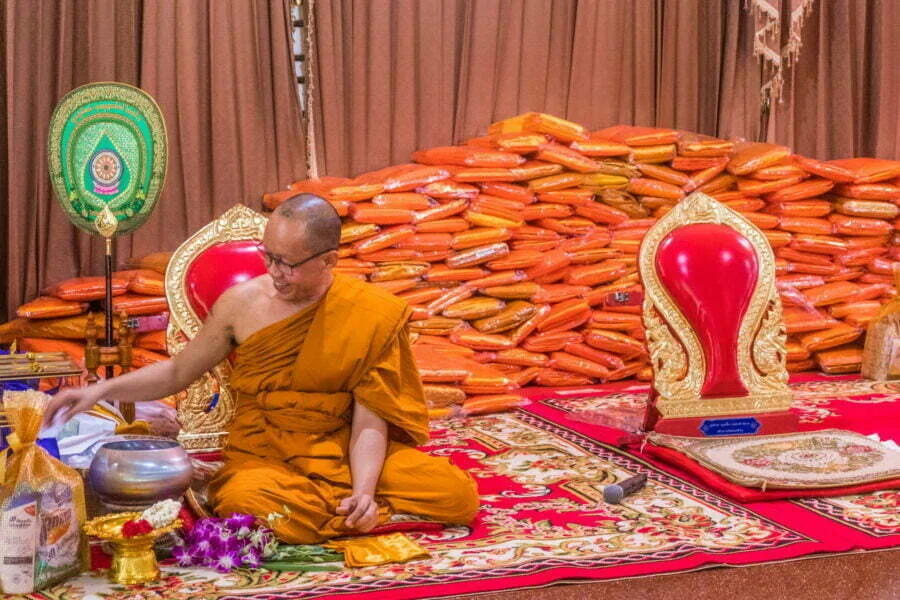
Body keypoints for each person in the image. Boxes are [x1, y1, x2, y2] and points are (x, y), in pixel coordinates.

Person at [44, 194, 480, 544]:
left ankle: (352, 510)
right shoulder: (242, 304)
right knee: (245, 502)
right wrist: (97, 393)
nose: (273, 272)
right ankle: (350, 517)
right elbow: (178, 373)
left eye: (287, 263)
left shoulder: (369, 313)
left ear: (329, 260)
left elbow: (371, 415)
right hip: (267, 454)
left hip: (344, 448)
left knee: (456, 495)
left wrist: (364, 491)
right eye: (267, 256)